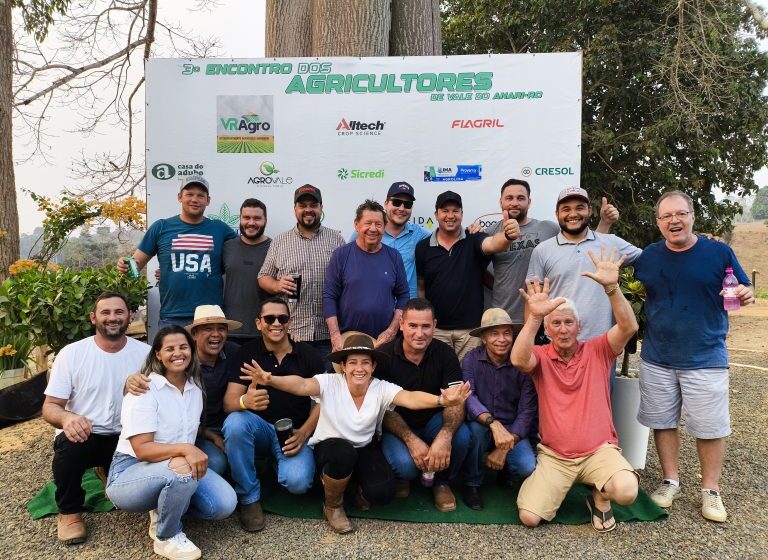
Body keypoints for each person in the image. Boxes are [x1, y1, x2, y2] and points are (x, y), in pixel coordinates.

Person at [239, 333, 471, 534]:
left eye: (365, 363)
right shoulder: (329, 382)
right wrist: (271, 379)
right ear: (344, 366)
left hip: (363, 447)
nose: (359, 368)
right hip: (331, 448)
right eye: (353, 363)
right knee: (342, 454)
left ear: (373, 366)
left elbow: (409, 398)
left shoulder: (380, 387)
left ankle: (353, 485)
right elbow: (300, 384)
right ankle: (333, 505)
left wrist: (441, 399)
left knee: (382, 493)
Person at [633, 191, 755, 522]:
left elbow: (744, 288)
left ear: (692, 216)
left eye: (680, 213)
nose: (674, 220)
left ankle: (711, 490)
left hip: (705, 356)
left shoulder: (718, 252)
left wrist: (747, 292)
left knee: (710, 427)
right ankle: (670, 481)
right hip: (658, 356)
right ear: (658, 223)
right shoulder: (648, 257)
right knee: (662, 422)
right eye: (666, 216)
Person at [511, 247, 639, 532]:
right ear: (548, 329)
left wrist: (612, 287)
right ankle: (562, 488)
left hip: (599, 452)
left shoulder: (599, 350)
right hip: (555, 456)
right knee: (529, 518)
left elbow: (628, 327)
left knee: (627, 491)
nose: (563, 328)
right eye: (556, 323)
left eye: (569, 322)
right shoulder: (542, 355)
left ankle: (599, 498)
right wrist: (533, 317)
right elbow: (519, 360)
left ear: (579, 326)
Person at [106, 326, 237, 560]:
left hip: (174, 465)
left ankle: (166, 507)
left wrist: (211, 436)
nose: (178, 353)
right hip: (130, 472)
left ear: (192, 350)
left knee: (224, 504)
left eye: (183, 347)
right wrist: (187, 449)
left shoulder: (194, 388)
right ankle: (166, 536)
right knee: (185, 467)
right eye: (170, 349)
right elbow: (142, 449)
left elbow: (188, 426)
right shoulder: (145, 388)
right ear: (158, 354)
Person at [42, 292, 149, 545]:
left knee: (140, 487)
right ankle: (69, 512)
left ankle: (109, 470)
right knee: (71, 445)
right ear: (93, 318)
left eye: (119, 312)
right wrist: (67, 418)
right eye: (106, 312)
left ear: (129, 316)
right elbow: (50, 407)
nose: (113, 318)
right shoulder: (72, 354)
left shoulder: (146, 354)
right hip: (87, 435)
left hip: (127, 437)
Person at [221, 296, 322, 531]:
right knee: (235, 422)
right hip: (258, 428)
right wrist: (245, 401)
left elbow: (324, 401)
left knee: (298, 483)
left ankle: (279, 465)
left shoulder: (308, 354)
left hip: (292, 432)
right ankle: (249, 497)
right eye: (269, 318)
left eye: (282, 318)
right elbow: (229, 403)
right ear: (258, 323)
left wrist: (305, 432)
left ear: (289, 323)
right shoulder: (246, 353)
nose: (276, 323)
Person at [484, 178, 619, 332]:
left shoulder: (548, 229)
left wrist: (604, 223)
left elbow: (586, 246)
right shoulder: (490, 233)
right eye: (509, 198)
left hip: (543, 319)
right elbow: (476, 268)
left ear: (529, 201)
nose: (514, 203)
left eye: (521, 198)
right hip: (503, 317)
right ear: (500, 202)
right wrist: (500, 285)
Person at [377, 298, 472, 513]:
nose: (419, 333)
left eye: (426, 326)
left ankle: (441, 482)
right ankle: (406, 477)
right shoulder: (384, 355)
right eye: (413, 325)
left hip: (433, 421)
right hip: (397, 424)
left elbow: (456, 400)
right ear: (401, 324)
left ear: (435, 325)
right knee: (405, 467)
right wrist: (410, 440)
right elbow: (382, 408)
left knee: (462, 436)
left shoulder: (445, 353)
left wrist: (444, 436)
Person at [126, 305, 241, 476]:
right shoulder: (181, 367)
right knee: (215, 463)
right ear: (194, 335)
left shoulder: (234, 352)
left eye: (221, 329)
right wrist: (130, 381)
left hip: (221, 427)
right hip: (191, 434)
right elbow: (145, 384)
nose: (216, 334)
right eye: (208, 329)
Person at [117, 176, 236, 327]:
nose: (195, 199)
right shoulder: (161, 227)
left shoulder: (220, 229)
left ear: (208, 200)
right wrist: (125, 265)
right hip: (172, 316)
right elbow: (135, 265)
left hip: (210, 316)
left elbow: (241, 253)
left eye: (200, 195)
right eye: (189, 194)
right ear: (180, 197)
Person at [414, 190, 519, 362]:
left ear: (462, 214)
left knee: (469, 380)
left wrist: (507, 235)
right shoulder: (423, 247)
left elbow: (492, 244)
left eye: (455, 211)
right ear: (436, 214)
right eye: (445, 211)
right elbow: (421, 286)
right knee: (440, 380)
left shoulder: (474, 238)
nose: (450, 215)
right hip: (437, 329)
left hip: (470, 331)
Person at [526, 186, 639, 343]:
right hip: (556, 344)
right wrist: (530, 341)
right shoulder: (542, 250)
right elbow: (532, 299)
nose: (573, 214)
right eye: (566, 209)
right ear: (557, 214)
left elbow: (650, 260)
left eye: (580, 208)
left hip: (602, 345)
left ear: (590, 211)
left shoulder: (611, 242)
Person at [460, 307, 538, 510]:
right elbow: (469, 397)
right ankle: (472, 483)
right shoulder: (471, 359)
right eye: (494, 333)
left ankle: (506, 469)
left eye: (507, 333)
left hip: (513, 428)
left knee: (527, 466)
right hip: (484, 423)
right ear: (484, 337)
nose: (501, 339)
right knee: (475, 431)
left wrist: (505, 446)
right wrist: (493, 424)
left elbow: (527, 410)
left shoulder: (523, 362)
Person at [258, 184, 345, 359]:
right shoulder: (280, 241)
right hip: (293, 335)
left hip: (329, 335)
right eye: (302, 206)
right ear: (295, 209)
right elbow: (263, 277)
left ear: (321, 208)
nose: (308, 210)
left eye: (313, 205)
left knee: (327, 385)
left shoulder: (336, 239)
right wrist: (276, 285)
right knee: (294, 385)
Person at [324, 199, 409, 349]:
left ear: (384, 227)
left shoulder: (394, 256)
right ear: (357, 225)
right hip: (348, 340)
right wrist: (335, 335)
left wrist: (392, 330)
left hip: (383, 342)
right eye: (368, 223)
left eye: (378, 224)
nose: (373, 229)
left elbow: (403, 295)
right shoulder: (341, 255)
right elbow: (329, 296)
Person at [350, 181, 430, 298]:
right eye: (396, 202)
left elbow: (444, 237)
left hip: (407, 309)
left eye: (407, 204)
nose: (401, 208)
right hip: (374, 304)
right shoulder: (365, 232)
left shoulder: (418, 234)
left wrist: (466, 231)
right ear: (386, 203)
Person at [223, 198, 271, 345]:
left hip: (265, 331)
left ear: (265, 220)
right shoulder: (227, 247)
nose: (251, 222)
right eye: (246, 217)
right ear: (240, 219)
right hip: (230, 330)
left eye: (257, 218)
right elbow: (207, 273)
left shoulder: (275, 248)